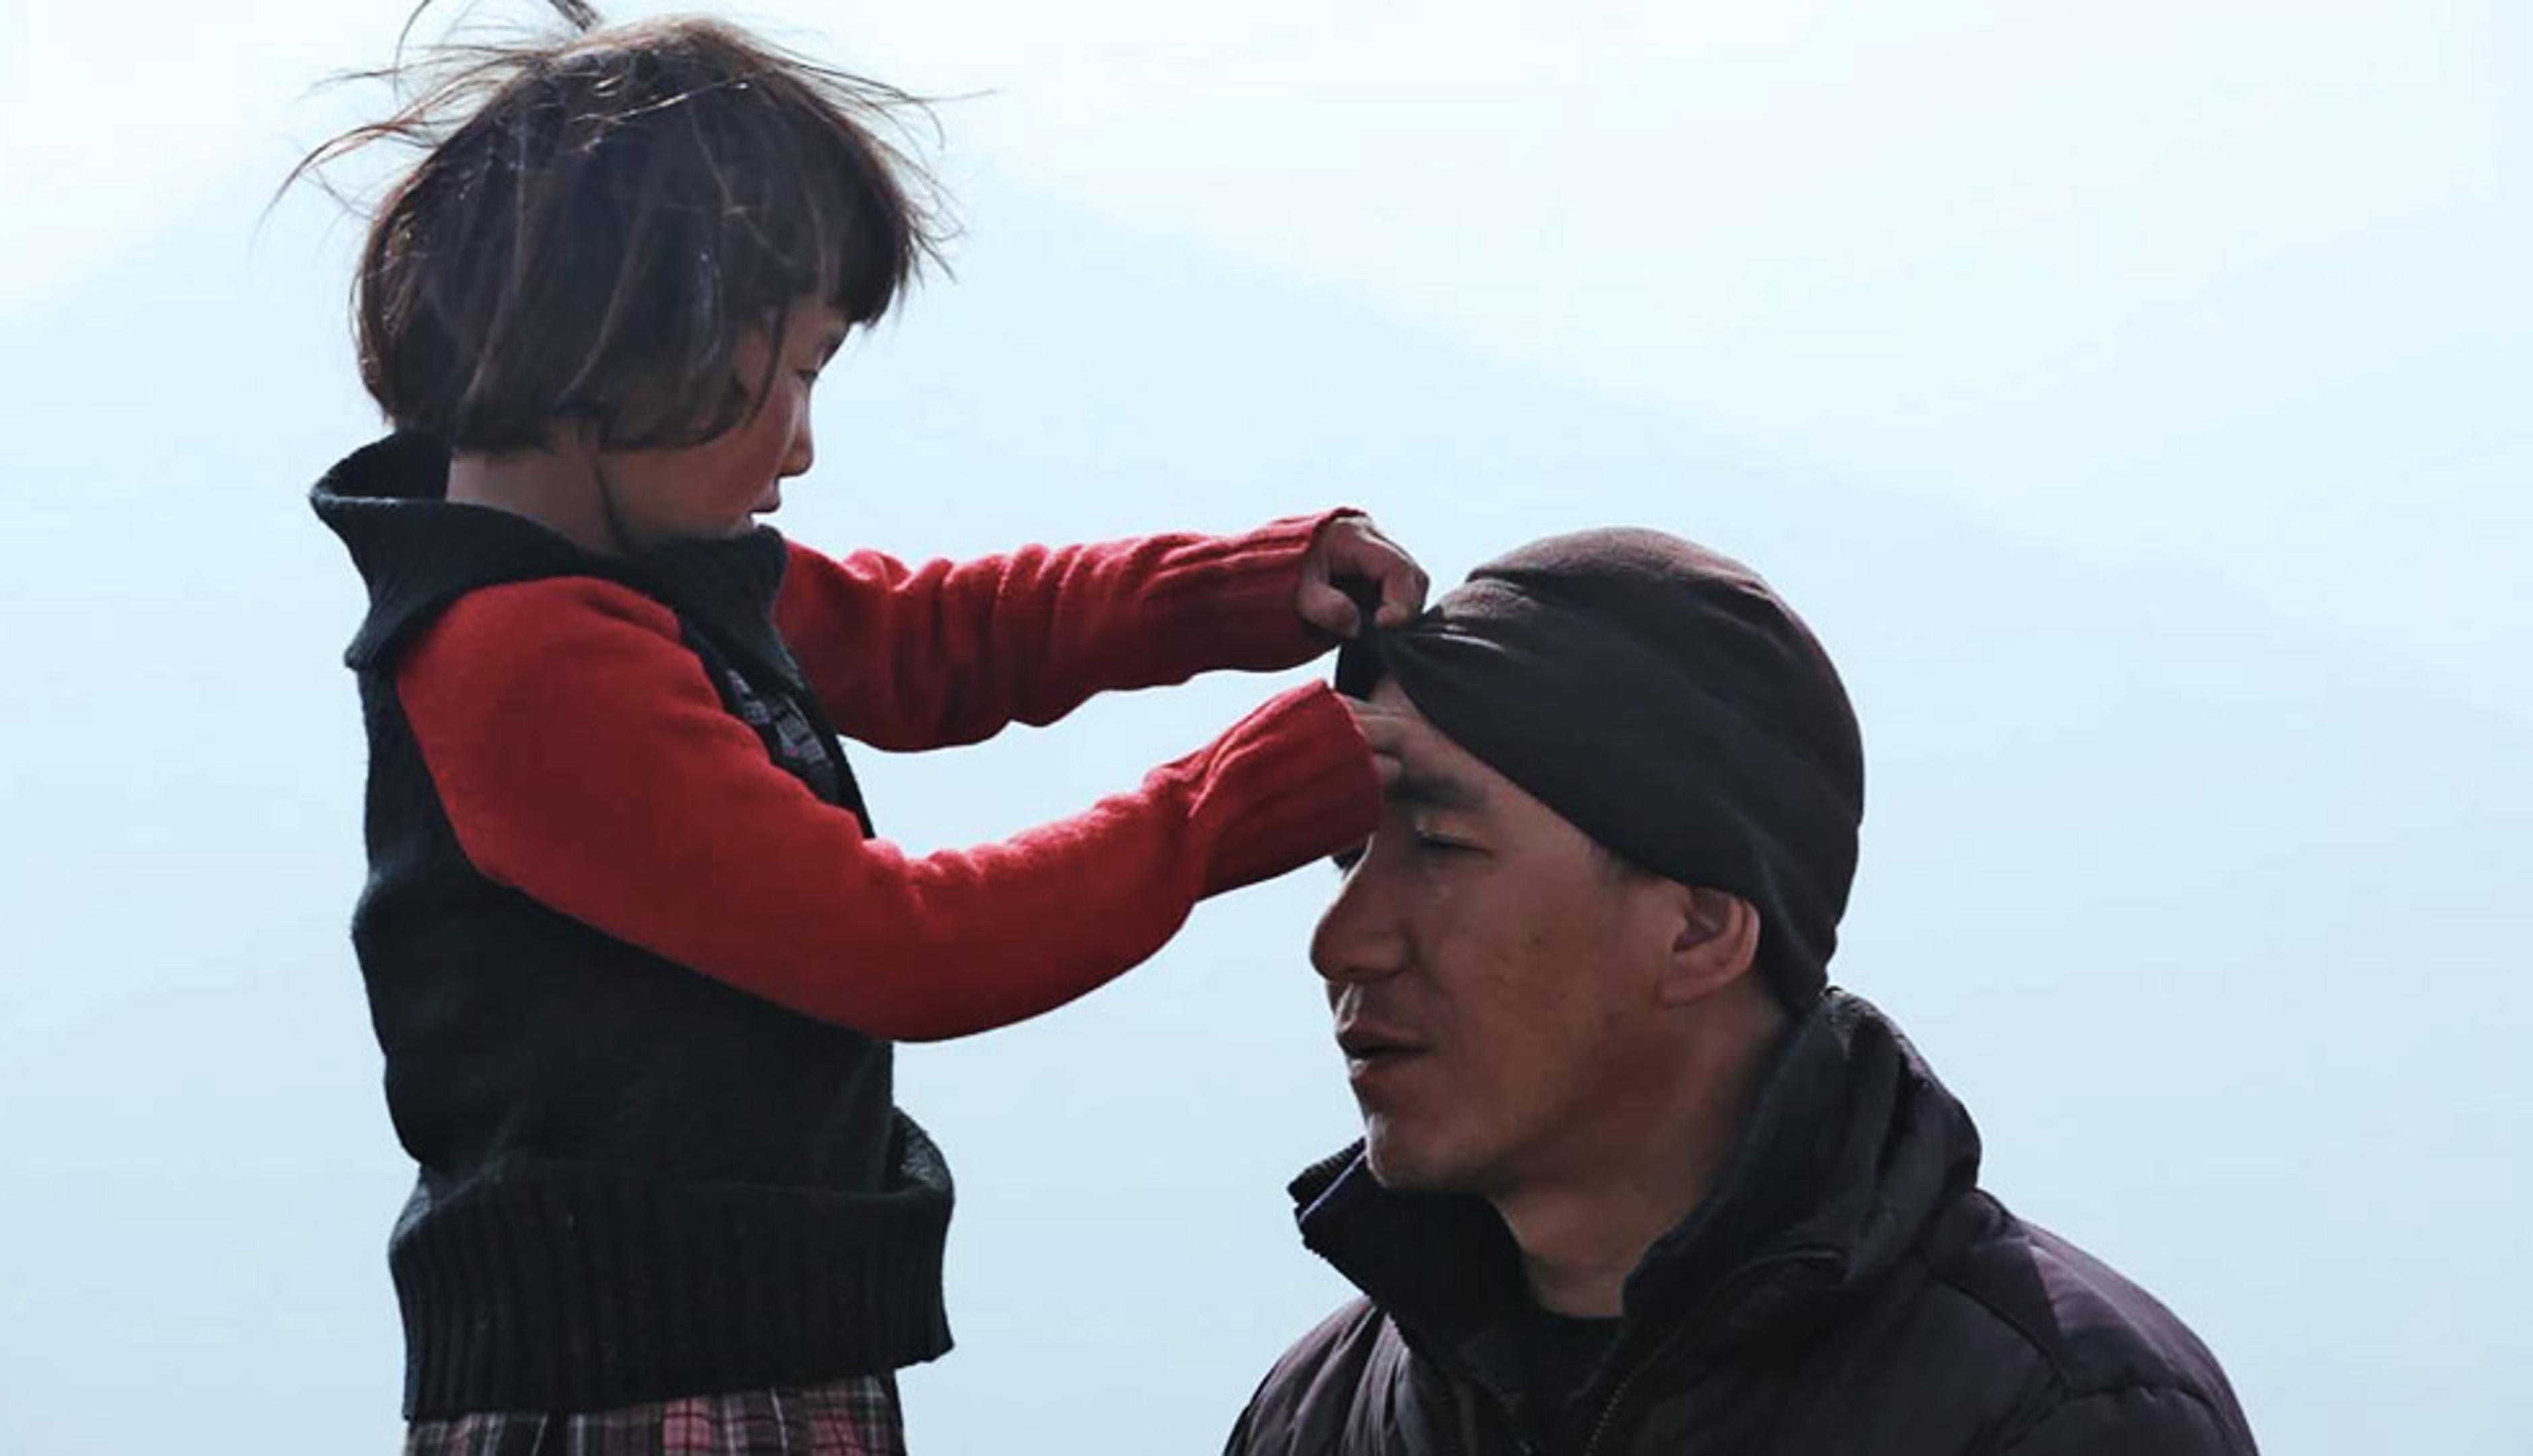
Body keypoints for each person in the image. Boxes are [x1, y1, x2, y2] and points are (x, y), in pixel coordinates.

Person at [296, 7, 1424, 1452]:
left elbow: (928, 641)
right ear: (632, 346)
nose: (802, 441)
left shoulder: (640, 581)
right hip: (634, 1389)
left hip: (736, 1350)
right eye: (792, 374)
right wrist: (1222, 810)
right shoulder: (523, 660)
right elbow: (902, 947)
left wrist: (1235, 592)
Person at [1225, 530, 2258, 1455]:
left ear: (1702, 928)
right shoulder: (1319, 1417)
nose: (1342, 941)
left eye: (1441, 845)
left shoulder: (2064, 1415)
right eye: (1350, 853)